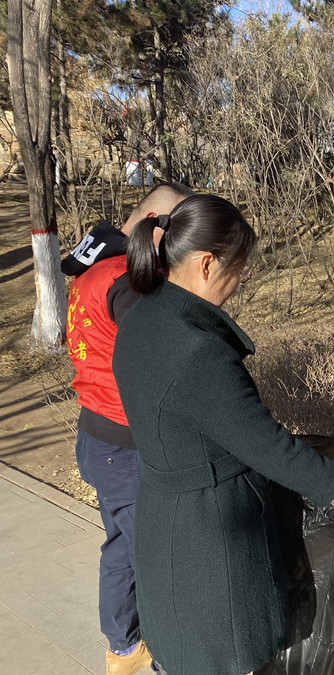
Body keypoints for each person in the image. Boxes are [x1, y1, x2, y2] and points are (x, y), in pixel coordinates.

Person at [111, 194, 334, 675]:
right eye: (239, 269)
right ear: (206, 264)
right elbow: (266, 445)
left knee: (181, 653)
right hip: (211, 537)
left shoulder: (142, 319)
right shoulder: (197, 352)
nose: (240, 282)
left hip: (165, 518)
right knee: (216, 658)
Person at [63, 182, 194, 675]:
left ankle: (123, 648)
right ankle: (171, 660)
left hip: (97, 437)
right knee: (158, 559)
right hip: (126, 447)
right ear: (158, 227)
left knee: (122, 545)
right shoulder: (127, 281)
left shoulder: (93, 267)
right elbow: (162, 357)